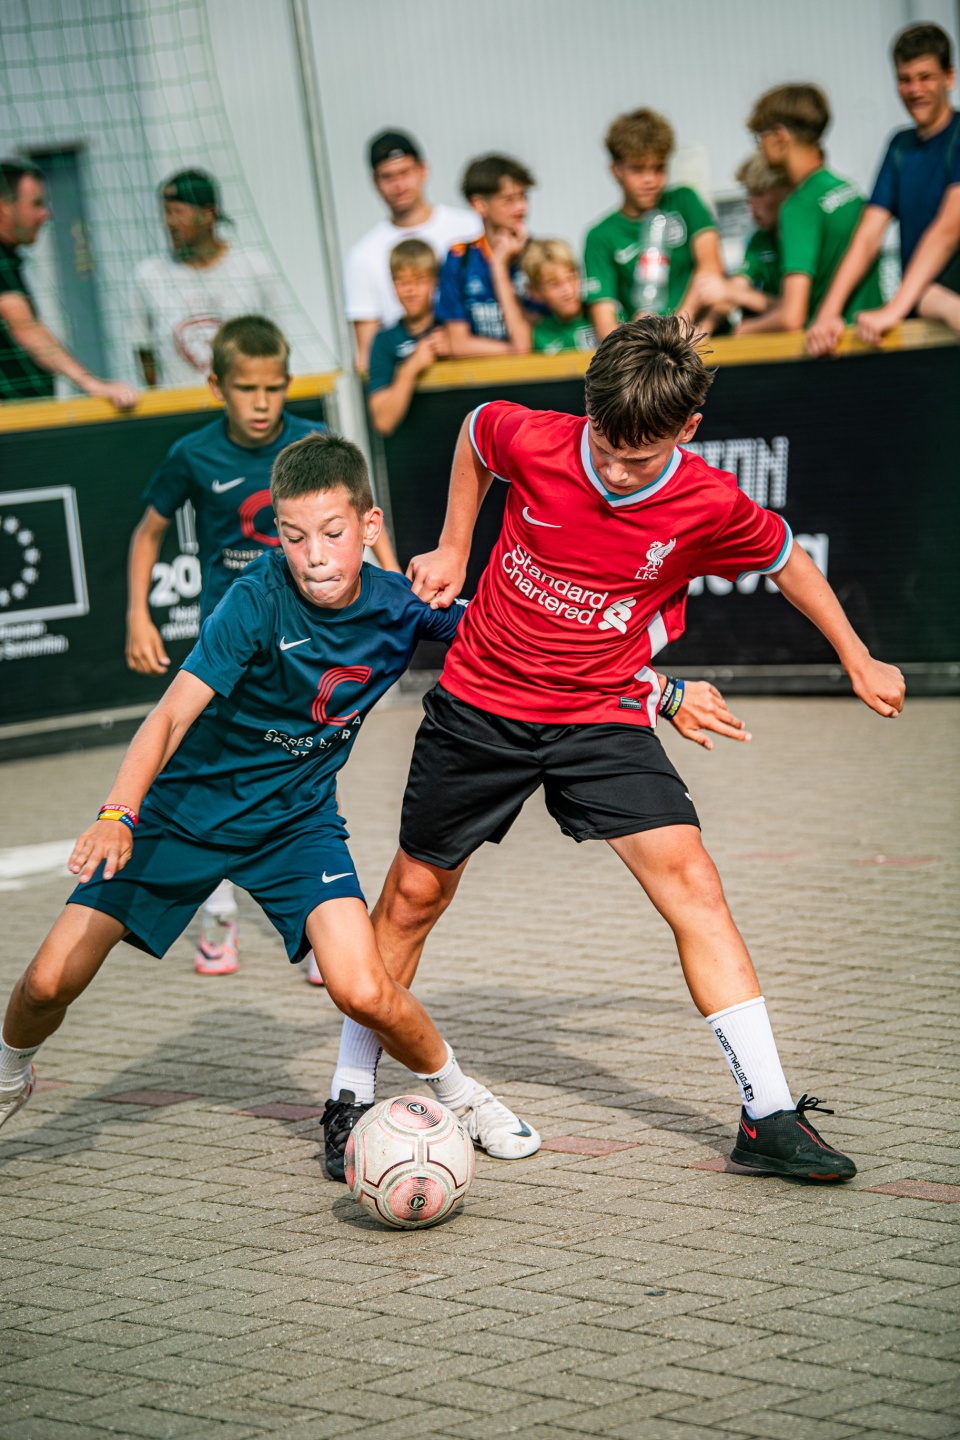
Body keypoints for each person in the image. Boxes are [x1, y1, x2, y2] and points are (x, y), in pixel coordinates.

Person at [322, 317, 906, 1184]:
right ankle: (349, 1095)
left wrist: (856, 655)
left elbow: (787, 559)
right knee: (412, 897)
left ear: (688, 429)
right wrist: (454, 543)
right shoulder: (536, 438)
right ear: (588, 411)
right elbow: (476, 431)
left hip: (601, 715)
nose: (619, 471)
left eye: (641, 458)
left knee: (694, 881)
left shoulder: (708, 502)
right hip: (481, 700)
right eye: (606, 447)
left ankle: (768, 1116)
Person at [0, 432, 540, 1181]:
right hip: (180, 817)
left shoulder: (401, 607)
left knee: (363, 988)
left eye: (332, 533)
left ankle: (464, 1098)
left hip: (296, 826)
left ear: (370, 526)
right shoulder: (254, 600)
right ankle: (7, 1079)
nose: (314, 556)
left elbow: (519, 638)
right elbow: (168, 717)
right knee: (48, 982)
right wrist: (118, 813)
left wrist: (651, 684)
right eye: (293, 536)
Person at [126, 313, 400, 975]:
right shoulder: (192, 454)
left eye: (274, 388)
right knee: (207, 773)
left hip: (305, 641)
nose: (261, 402)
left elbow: (360, 534)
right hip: (228, 647)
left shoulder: (312, 445)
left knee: (310, 765)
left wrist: (396, 592)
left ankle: (318, 919)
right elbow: (147, 532)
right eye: (247, 388)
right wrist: (138, 615)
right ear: (217, 386)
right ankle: (218, 917)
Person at [808, 23, 960, 354]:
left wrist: (894, 308)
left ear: (949, 77)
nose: (915, 89)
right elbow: (868, 235)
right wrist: (829, 312)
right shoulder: (900, 147)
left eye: (925, 77)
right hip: (924, 317)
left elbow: (948, 230)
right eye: (905, 79)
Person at [739, 85, 882, 334]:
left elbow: (791, 317)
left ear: (780, 136)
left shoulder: (799, 206)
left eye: (760, 136)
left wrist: (743, 331)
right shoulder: (848, 189)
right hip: (872, 336)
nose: (759, 147)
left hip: (832, 346)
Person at [0, 161, 137, 408]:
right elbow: (24, 327)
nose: (46, 214)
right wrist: (92, 384)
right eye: (36, 204)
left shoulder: (9, 257)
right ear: (5, 207)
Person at [131, 169, 283, 388]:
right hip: (183, 402)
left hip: (243, 400)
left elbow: (277, 339)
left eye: (178, 212)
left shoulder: (254, 266)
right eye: (166, 213)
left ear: (209, 214)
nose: (169, 222)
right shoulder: (149, 275)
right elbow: (143, 348)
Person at [344, 131, 481, 372]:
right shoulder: (362, 256)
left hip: (479, 369)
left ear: (423, 170)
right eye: (388, 177)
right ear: (375, 182)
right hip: (408, 384)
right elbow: (366, 358)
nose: (398, 185)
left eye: (404, 173)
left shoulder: (471, 228)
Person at [583, 109, 723, 342]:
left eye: (658, 168)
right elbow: (605, 325)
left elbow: (711, 269)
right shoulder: (599, 236)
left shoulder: (686, 200)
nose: (650, 180)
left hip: (704, 340)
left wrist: (678, 326)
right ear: (616, 169)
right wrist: (651, 343)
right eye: (638, 169)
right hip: (654, 353)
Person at [436, 154, 536, 357]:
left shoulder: (537, 255)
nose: (522, 208)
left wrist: (500, 268)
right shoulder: (459, 259)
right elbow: (458, 343)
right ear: (479, 205)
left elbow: (532, 340)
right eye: (509, 200)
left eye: (523, 197)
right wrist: (512, 350)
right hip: (480, 377)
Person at [687, 155, 791, 324]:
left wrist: (736, 295)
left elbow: (796, 310)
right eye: (749, 194)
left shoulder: (799, 236)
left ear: (785, 191)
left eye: (759, 194)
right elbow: (735, 287)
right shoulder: (759, 239)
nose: (751, 204)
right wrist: (705, 329)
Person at [367, 239, 450, 436]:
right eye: (402, 281)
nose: (410, 290)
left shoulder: (454, 330)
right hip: (411, 446)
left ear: (435, 281)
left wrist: (456, 349)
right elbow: (383, 422)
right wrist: (411, 368)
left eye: (419, 280)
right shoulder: (384, 341)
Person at [522, 239, 600, 353]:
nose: (567, 290)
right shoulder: (540, 335)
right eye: (554, 284)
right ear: (535, 291)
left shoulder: (603, 315)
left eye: (571, 277)